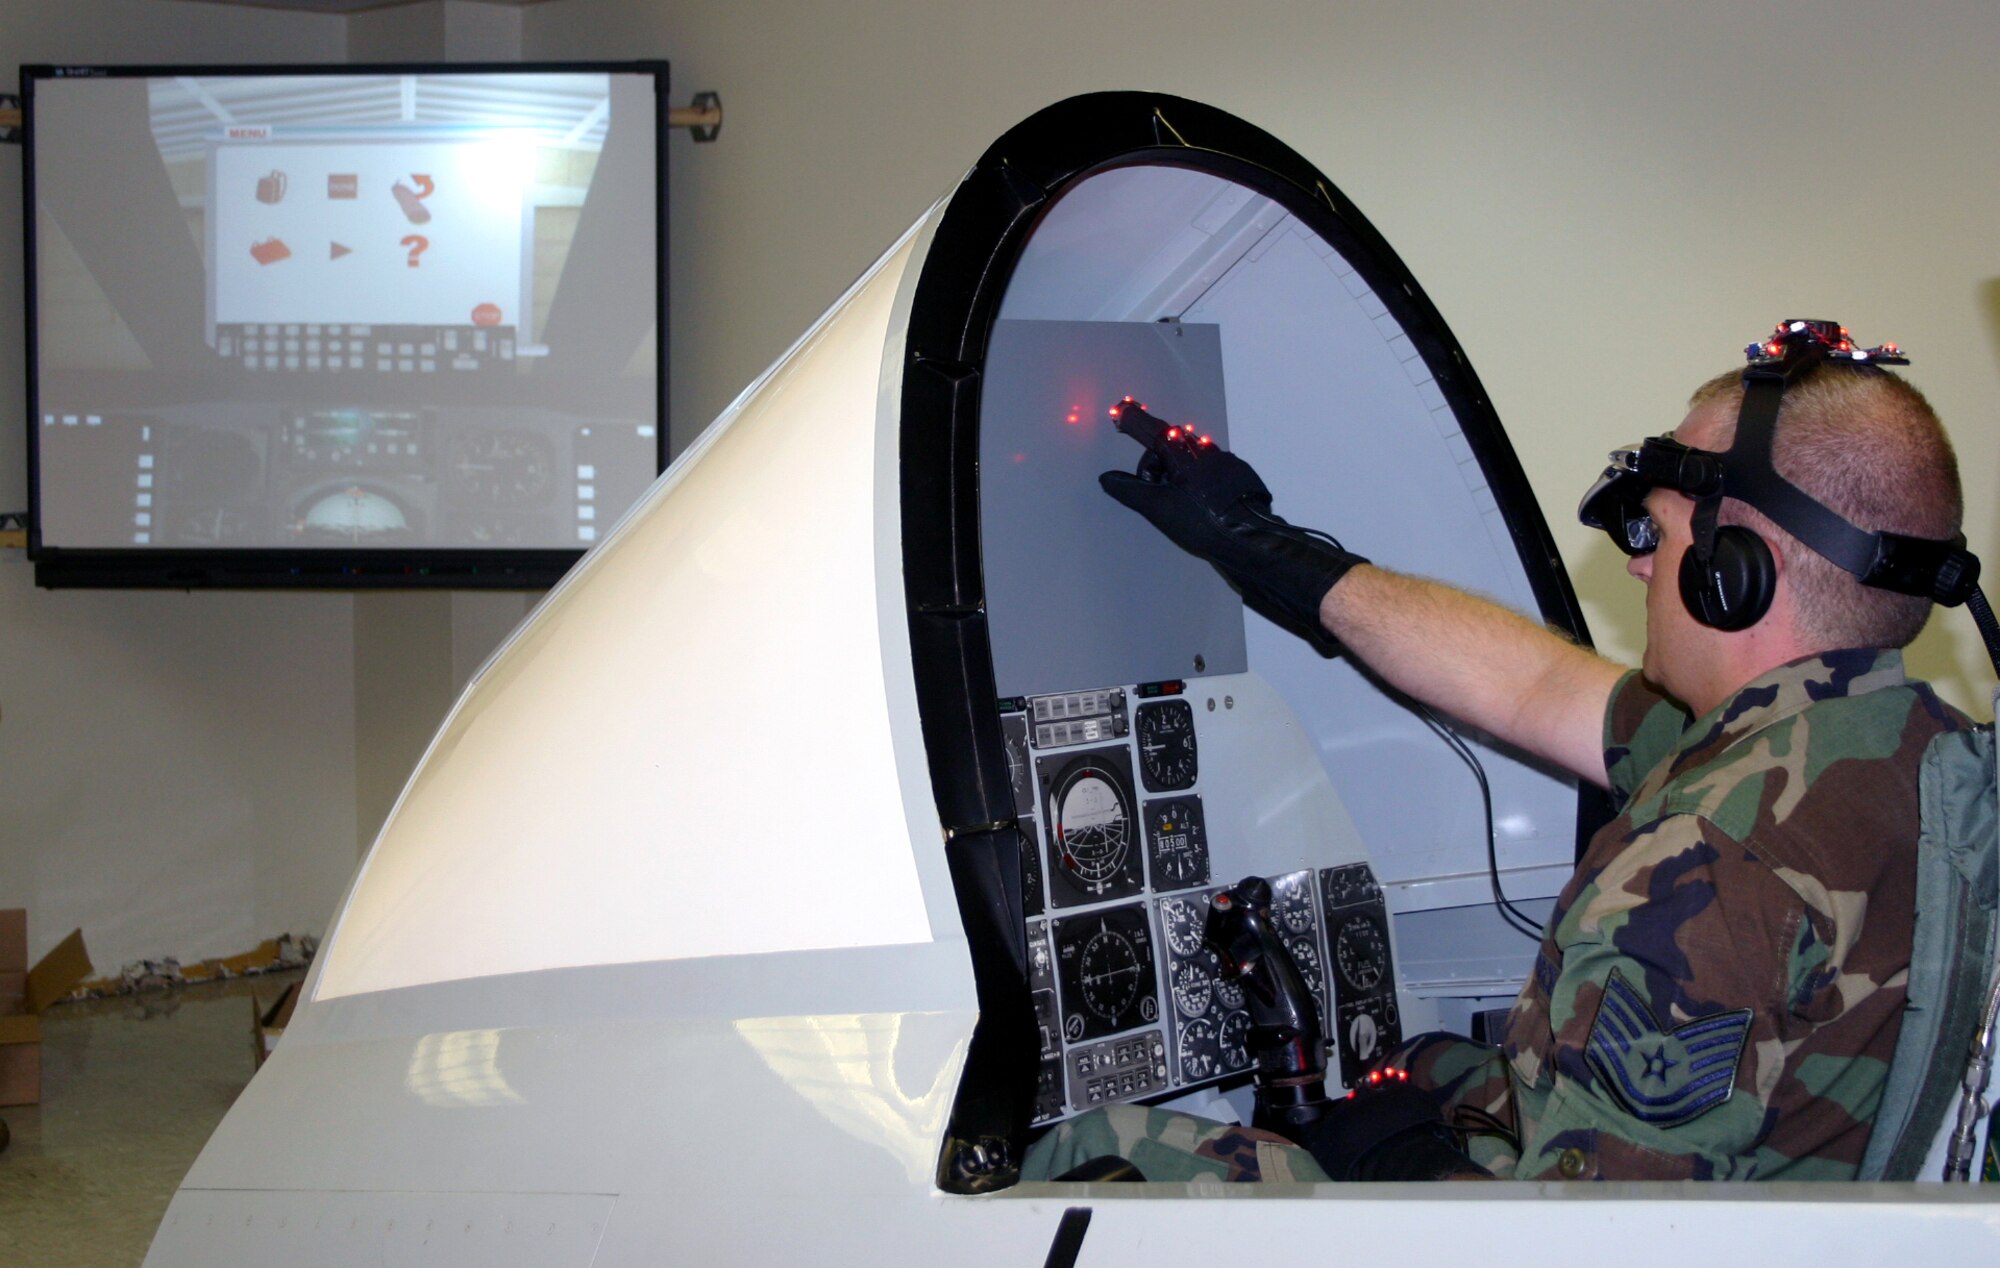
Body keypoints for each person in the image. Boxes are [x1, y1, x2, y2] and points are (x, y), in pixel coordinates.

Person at [1025, 322, 1974, 1182]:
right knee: (1429, 1062)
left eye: (1657, 530)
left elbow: (1581, 1255)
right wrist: (1263, 548)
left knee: (1097, 1147)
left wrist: (1402, 1164)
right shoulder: (1899, 750)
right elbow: (1528, 685)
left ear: (1736, 571)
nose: (1640, 562)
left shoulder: (1702, 867)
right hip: (1808, 1190)